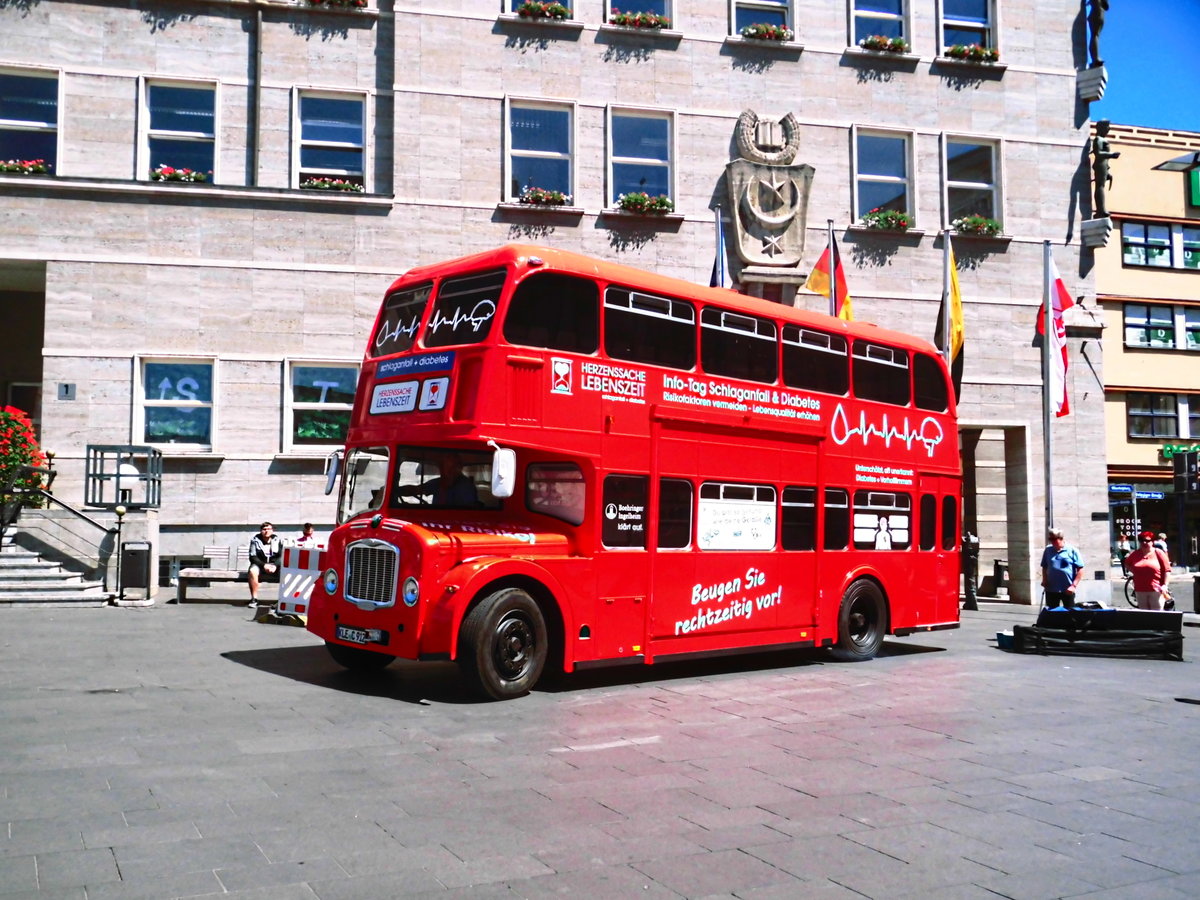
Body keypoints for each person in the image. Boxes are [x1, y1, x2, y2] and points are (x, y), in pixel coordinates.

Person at [395, 453, 477, 506]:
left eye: (452, 468)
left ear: (459, 468)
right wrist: (396, 491)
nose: (448, 471)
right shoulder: (438, 482)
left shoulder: (466, 487)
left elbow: (465, 510)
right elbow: (418, 489)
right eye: (445, 467)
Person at [1124, 531, 1171, 611]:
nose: (1144, 542)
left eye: (1147, 540)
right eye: (1141, 540)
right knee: (1144, 615)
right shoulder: (1135, 554)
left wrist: (1165, 585)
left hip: (1156, 589)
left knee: (1156, 615)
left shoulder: (1158, 553)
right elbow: (1127, 564)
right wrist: (1135, 571)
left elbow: (1167, 570)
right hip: (1140, 589)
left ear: (1152, 541)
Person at [1040, 528, 1084, 608]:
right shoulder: (1048, 550)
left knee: (1070, 613)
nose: (1052, 541)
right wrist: (1044, 579)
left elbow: (1080, 570)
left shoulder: (1072, 550)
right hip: (1051, 588)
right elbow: (1044, 566)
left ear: (1061, 538)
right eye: (1050, 539)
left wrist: (1073, 586)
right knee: (1052, 613)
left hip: (1067, 589)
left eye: (1054, 539)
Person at [247, 521, 283, 607]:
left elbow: (282, 556)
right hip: (260, 565)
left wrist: (275, 565)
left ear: (272, 530)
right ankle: (254, 599)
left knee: (286, 572)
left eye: (269, 529)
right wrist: (264, 565)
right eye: (264, 529)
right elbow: (252, 557)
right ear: (261, 531)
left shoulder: (278, 541)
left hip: (274, 565)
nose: (266, 531)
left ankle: (282, 600)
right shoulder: (255, 540)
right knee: (252, 571)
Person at [1091, 119, 1120, 218]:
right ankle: (1101, 210)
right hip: (1100, 163)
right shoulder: (1098, 139)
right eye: (1107, 127)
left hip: (1104, 164)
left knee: (1101, 186)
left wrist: (1107, 170)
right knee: (1100, 186)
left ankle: (1101, 209)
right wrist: (1111, 155)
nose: (1109, 129)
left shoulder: (1102, 139)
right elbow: (1098, 153)